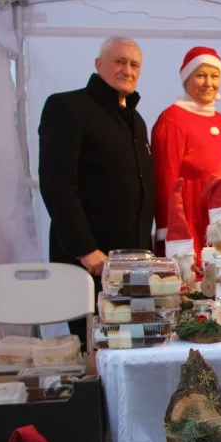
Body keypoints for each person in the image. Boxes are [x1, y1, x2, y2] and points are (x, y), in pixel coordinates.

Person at [38, 36, 155, 344]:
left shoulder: (136, 120)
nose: (127, 70)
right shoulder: (67, 107)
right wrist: (85, 250)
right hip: (90, 262)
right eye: (119, 61)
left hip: (132, 267)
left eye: (134, 64)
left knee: (131, 346)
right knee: (94, 350)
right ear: (98, 64)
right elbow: (57, 185)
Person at [151, 46, 221, 266]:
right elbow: (166, 178)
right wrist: (172, 229)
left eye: (214, 76)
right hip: (194, 215)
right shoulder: (172, 119)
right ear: (186, 79)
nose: (208, 83)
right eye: (200, 76)